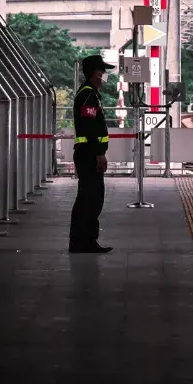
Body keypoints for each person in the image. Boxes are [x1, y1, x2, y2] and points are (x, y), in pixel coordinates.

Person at [69, 56, 113, 253]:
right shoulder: (88, 96)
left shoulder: (90, 94)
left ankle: (81, 242)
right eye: (103, 71)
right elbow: (89, 128)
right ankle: (85, 242)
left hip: (87, 154)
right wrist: (99, 154)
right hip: (89, 156)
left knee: (87, 198)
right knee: (91, 199)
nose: (105, 75)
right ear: (96, 73)